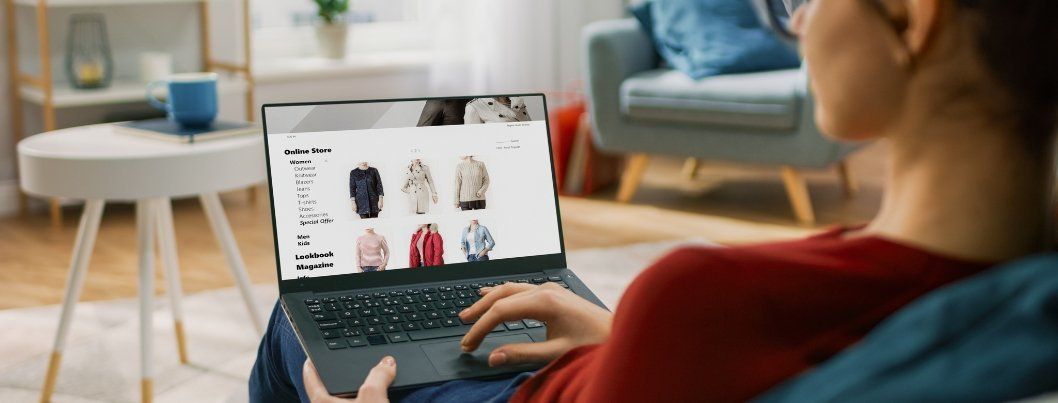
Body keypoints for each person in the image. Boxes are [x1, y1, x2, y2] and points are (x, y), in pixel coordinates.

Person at [249, 0, 1058, 401]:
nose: (800, 23)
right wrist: (616, 333)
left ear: (912, 19)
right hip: (613, 366)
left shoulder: (700, 297)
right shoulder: (1019, 291)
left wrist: (655, 330)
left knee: (299, 320)